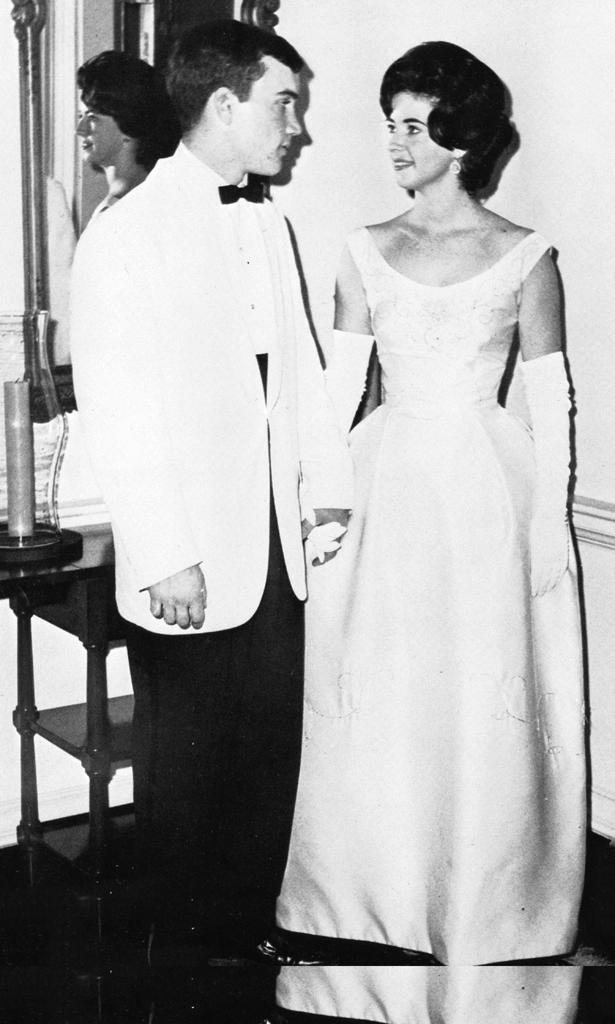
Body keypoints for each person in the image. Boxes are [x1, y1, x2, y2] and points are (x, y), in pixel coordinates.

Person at [273, 40, 585, 1022]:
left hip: (489, 501)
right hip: (386, 494)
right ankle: (376, 928)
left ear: (459, 138)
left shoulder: (528, 255)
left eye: (415, 125)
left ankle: (483, 925)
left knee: (476, 716)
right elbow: (333, 396)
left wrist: (547, 547)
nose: (396, 143)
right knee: (385, 712)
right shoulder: (365, 248)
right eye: (391, 122)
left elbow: (554, 408)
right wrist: (317, 507)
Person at [70, 19, 353, 962]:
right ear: (224, 104)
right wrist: (167, 556)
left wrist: (326, 492)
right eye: (283, 104)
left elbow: (300, 376)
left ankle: (245, 944)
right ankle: (183, 965)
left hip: (276, 550)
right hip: (187, 561)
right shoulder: (128, 232)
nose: (296, 128)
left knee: (268, 763)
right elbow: (121, 409)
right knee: (186, 777)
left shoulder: (265, 221)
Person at [76, 50, 181, 220]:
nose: (80, 129)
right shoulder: (144, 194)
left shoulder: (127, 209)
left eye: (92, 117)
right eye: (80, 116)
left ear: (127, 125)